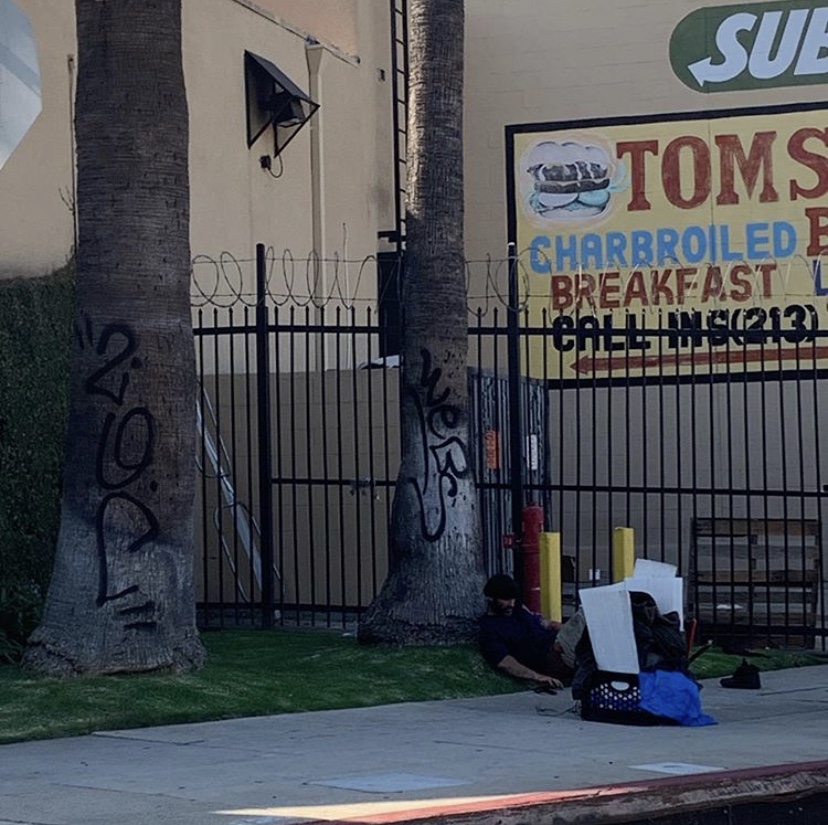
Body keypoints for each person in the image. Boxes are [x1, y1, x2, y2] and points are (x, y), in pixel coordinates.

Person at [478, 573, 576, 689]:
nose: (511, 604)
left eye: (513, 599)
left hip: (558, 640)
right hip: (550, 655)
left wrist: (568, 630)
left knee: (585, 619)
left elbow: (545, 623)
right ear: (491, 598)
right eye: (506, 599)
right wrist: (537, 677)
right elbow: (505, 662)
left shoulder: (518, 608)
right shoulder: (489, 629)